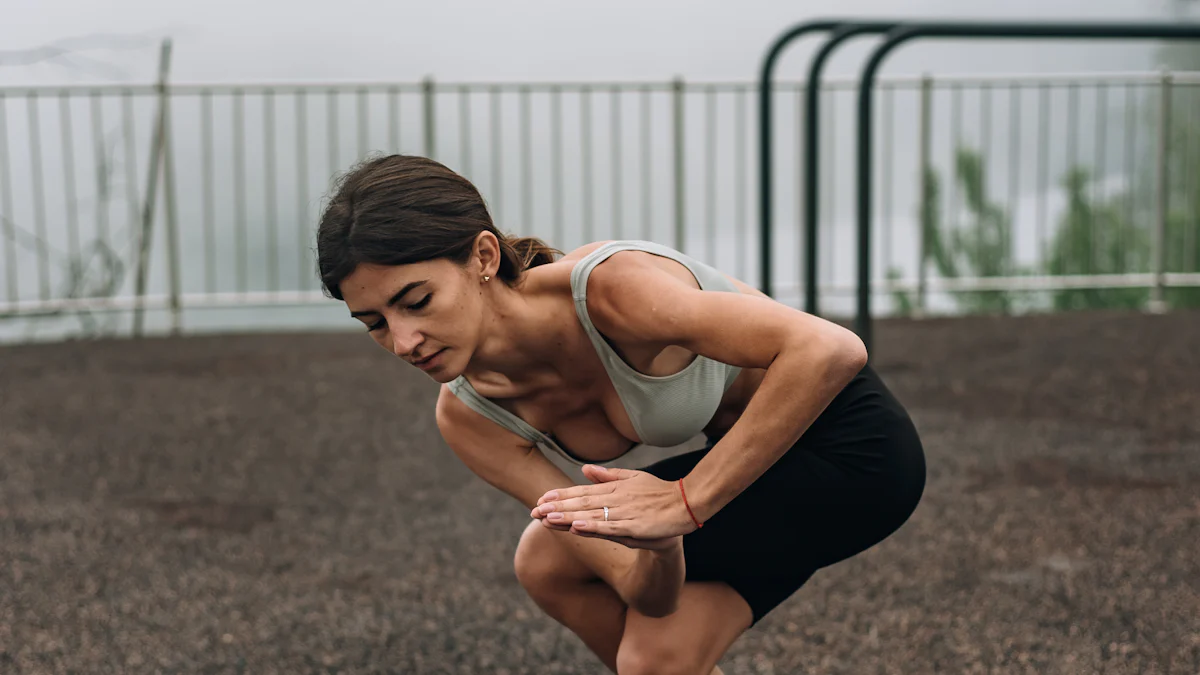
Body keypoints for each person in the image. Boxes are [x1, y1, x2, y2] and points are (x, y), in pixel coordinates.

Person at [316, 154, 926, 675]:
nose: (403, 341)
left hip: (852, 450)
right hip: (747, 471)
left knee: (558, 571)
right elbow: (644, 592)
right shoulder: (470, 418)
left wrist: (687, 503)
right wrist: (659, 544)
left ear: (481, 256)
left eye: (416, 301)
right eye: (374, 323)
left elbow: (830, 348)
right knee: (619, 630)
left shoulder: (611, 289)